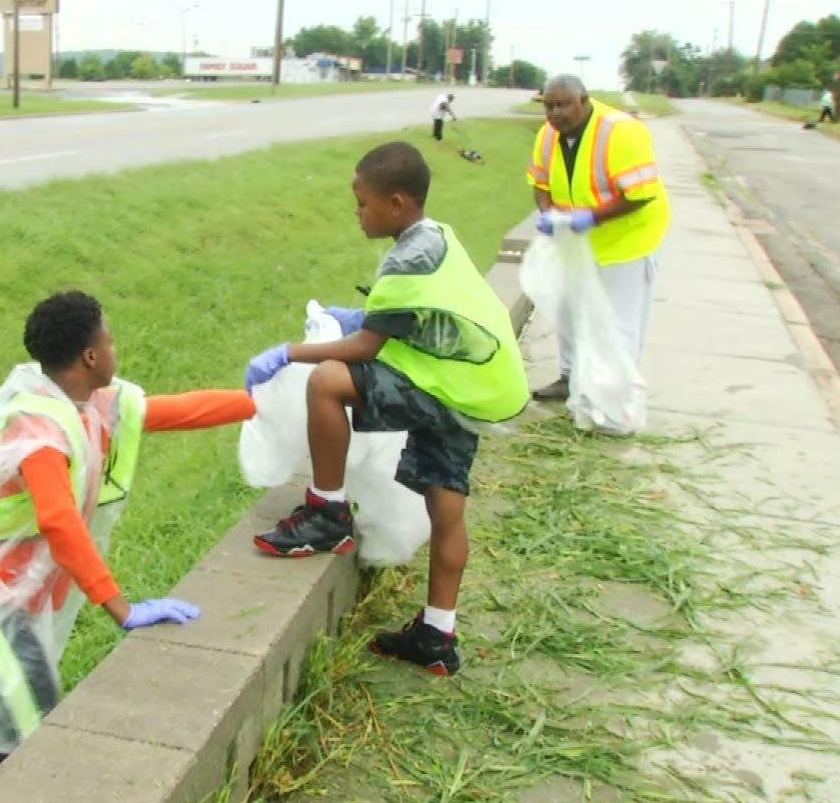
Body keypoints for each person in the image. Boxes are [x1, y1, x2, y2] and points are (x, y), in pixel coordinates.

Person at [0, 291, 257, 802]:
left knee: (7, 748)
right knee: (23, 753)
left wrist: (263, 402)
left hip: (5, 600)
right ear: (90, 356)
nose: (115, 348)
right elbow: (59, 522)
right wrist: (122, 608)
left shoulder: (90, 403)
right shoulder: (40, 428)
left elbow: (176, 411)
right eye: (109, 339)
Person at [242, 141, 529, 676]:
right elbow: (407, 317)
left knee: (327, 381)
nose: (357, 212)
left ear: (396, 203)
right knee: (447, 507)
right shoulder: (437, 236)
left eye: (362, 202)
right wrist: (359, 314)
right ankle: (437, 636)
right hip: (477, 388)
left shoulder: (405, 261)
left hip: (446, 386)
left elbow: (364, 347)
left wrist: (287, 353)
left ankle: (327, 513)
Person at [526, 74, 670, 402]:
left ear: (584, 101)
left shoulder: (621, 132)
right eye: (549, 106)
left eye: (564, 105)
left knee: (618, 324)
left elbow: (639, 194)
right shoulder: (547, 136)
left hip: (628, 241)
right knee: (569, 312)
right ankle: (569, 378)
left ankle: (614, 397)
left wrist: (590, 217)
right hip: (575, 242)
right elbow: (540, 182)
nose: (556, 113)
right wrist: (548, 213)